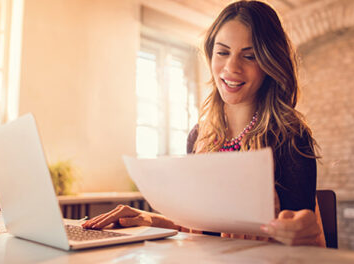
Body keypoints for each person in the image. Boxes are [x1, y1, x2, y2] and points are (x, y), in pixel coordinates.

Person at [83, 0, 326, 247]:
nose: (231, 67)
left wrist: (304, 229)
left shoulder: (290, 136)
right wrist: (147, 218)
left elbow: (302, 233)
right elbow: (203, 228)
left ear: (270, 63)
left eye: (250, 56)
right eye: (222, 52)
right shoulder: (199, 136)